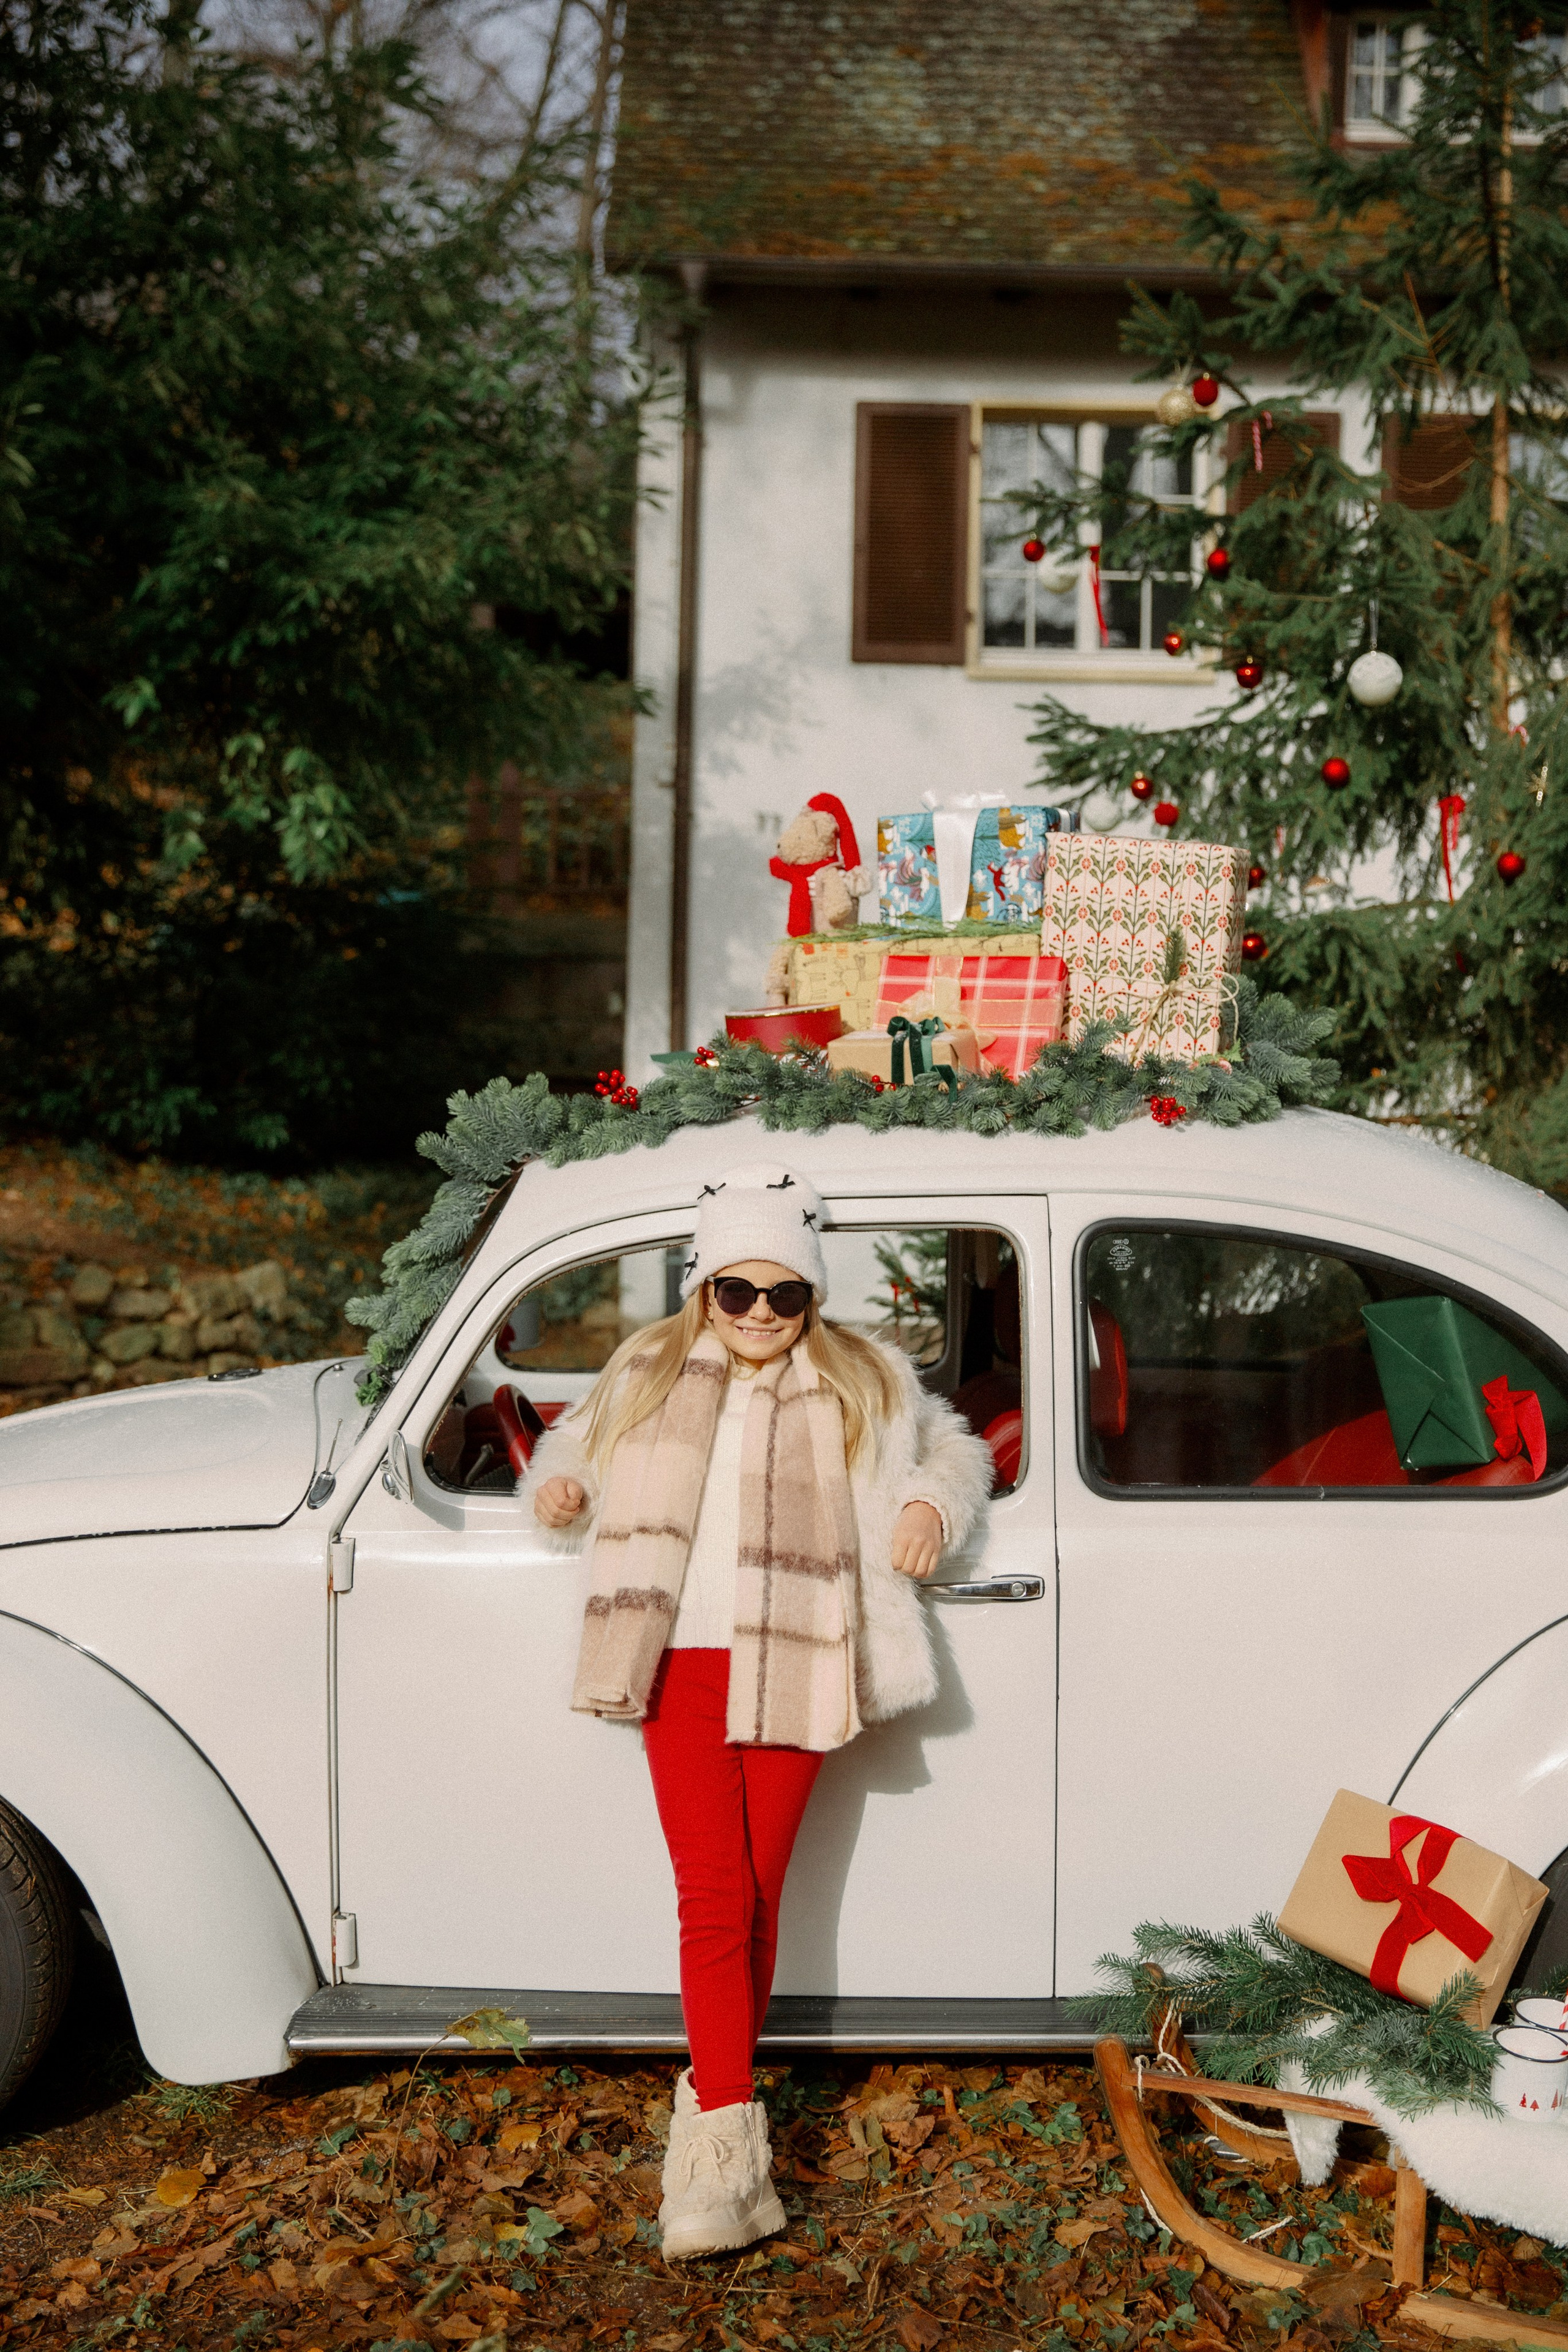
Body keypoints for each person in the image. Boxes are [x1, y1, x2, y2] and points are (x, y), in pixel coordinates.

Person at [521, 1162, 992, 2260]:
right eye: (740, 1293)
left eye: (787, 1296)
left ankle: (728, 2157)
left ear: (813, 1297)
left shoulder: (862, 1374)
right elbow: (569, 1449)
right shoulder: (645, 1365)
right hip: (677, 1655)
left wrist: (927, 1500)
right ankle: (717, 2160)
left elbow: (953, 1447)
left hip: (798, 1652)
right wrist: (561, 1492)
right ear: (705, 1290)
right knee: (713, 1895)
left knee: (758, 1897)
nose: (764, 1316)